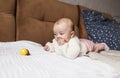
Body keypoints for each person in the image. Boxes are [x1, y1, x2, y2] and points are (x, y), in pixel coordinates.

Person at [44, 18, 109, 59]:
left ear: (71, 34)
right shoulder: (58, 40)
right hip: (80, 41)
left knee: (96, 47)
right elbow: (55, 45)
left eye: (61, 33)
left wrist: (63, 45)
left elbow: (72, 55)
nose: (57, 36)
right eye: (55, 34)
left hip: (86, 45)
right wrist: (49, 47)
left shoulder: (73, 41)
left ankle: (103, 45)